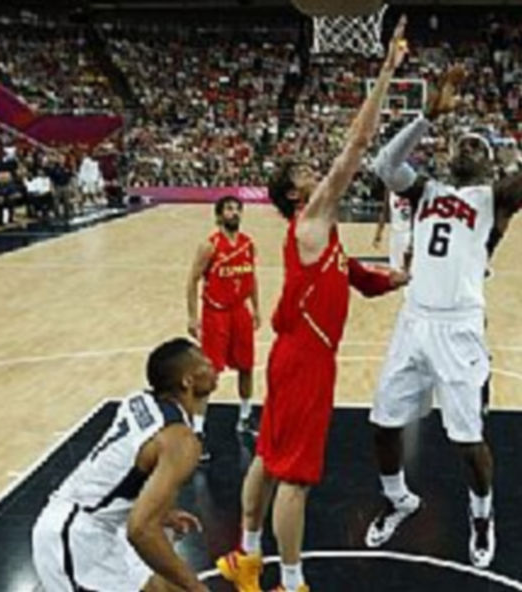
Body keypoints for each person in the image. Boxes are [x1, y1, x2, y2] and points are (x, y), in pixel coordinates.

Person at [363, 57, 522, 568]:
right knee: (382, 423)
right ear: (448, 154)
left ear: (489, 164)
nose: (468, 148)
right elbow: (382, 166)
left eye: (479, 146)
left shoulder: (498, 199)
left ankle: (482, 513)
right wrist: (428, 115)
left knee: (468, 441)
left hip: (460, 330)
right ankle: (398, 498)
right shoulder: (425, 192)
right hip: (413, 321)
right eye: (462, 142)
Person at [215, 16, 410, 592]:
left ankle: (247, 559)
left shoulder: (318, 235)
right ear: (297, 194)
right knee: (295, 479)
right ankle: (292, 582)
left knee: (266, 460)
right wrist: (385, 72)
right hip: (305, 363)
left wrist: (396, 279)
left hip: (294, 355)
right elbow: (356, 146)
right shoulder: (314, 215)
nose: (315, 172)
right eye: (305, 173)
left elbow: (351, 275)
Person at [31, 338, 217, 592]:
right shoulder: (181, 441)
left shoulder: (139, 401)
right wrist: (196, 586)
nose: (212, 365)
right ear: (187, 381)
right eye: (204, 363)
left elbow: (125, 467)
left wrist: (160, 513)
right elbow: (140, 530)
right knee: (183, 585)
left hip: (97, 523)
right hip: (76, 537)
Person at [187, 195, 260, 440]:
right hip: (215, 313)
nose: (235, 213)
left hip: (240, 311)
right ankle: (197, 429)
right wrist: (192, 317)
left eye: (238, 209)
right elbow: (192, 280)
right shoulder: (209, 246)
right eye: (229, 209)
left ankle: (245, 417)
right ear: (219, 215)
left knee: (247, 366)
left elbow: (252, 279)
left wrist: (256, 308)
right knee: (209, 371)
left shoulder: (248, 244)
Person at [372, 180, 412, 272]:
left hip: (410, 233)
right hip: (396, 234)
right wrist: (378, 233)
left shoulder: (414, 189)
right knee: (395, 269)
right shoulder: (389, 190)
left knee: (410, 269)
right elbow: (385, 212)